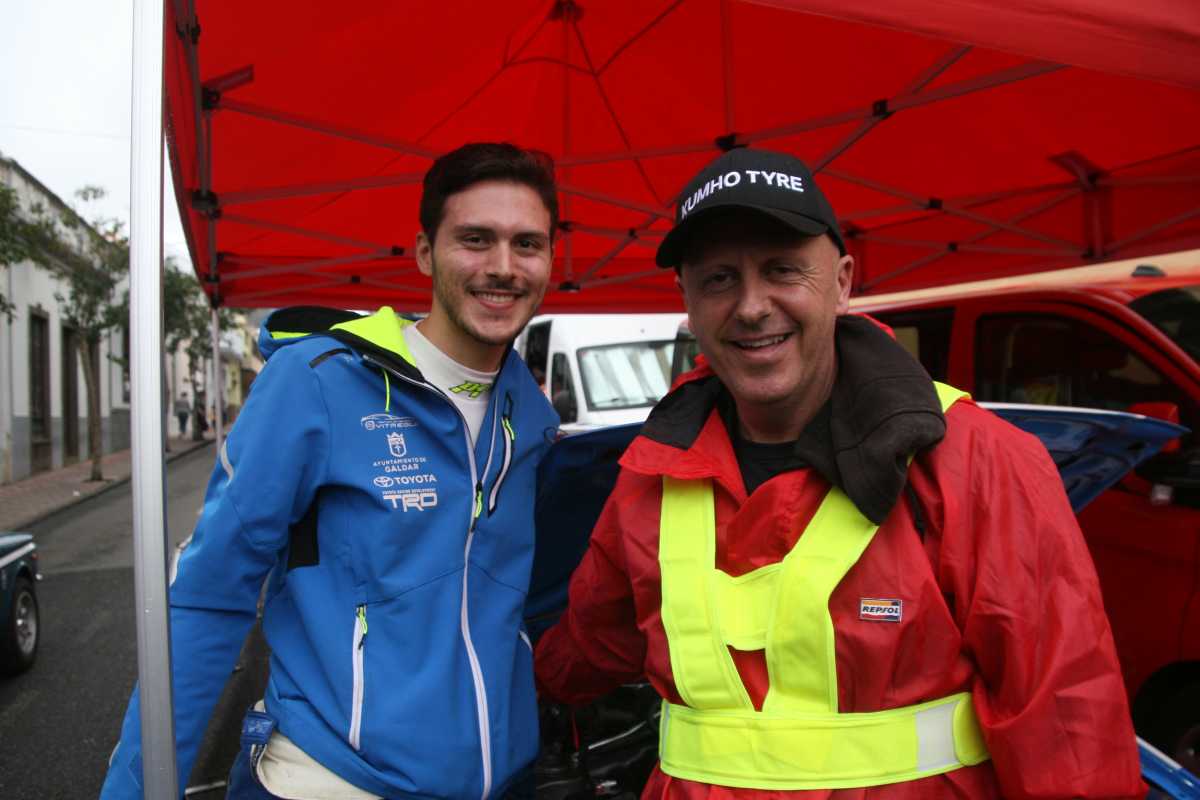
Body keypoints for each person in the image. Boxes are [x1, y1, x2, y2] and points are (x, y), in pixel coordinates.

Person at [534, 148, 1146, 798]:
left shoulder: (979, 462)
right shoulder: (650, 475)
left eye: (782, 270)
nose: (751, 306)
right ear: (686, 300)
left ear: (844, 282)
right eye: (718, 279)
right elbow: (585, 649)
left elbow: (1068, 730)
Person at [102, 142, 561, 799]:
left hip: (497, 778)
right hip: (332, 778)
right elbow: (211, 594)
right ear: (425, 252)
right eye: (475, 239)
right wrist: (136, 789)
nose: (503, 267)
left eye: (527, 244)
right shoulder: (317, 381)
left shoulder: (531, 414)